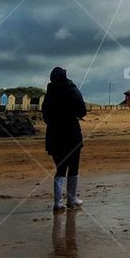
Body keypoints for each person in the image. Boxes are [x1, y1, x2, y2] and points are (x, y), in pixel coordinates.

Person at [42, 66, 87, 212]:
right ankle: (71, 199)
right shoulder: (72, 90)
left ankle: (58, 202)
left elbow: (45, 116)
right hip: (71, 133)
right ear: (65, 76)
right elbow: (82, 110)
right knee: (73, 167)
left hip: (54, 134)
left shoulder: (49, 94)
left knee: (60, 168)